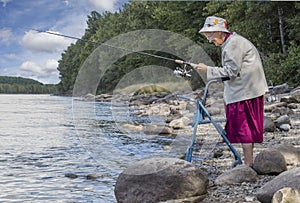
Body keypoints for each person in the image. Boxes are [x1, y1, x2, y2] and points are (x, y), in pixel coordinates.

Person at [196, 16, 268, 167]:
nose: (209, 40)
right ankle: (248, 162)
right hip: (247, 90)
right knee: (245, 128)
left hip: (245, 92)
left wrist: (207, 69)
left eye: (210, 35)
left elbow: (231, 71)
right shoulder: (232, 42)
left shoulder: (232, 44)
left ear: (220, 32)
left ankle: (248, 164)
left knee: (244, 128)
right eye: (207, 36)